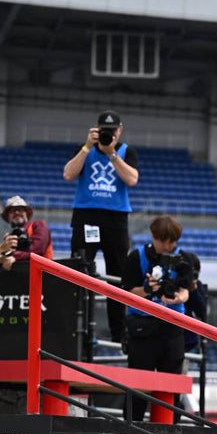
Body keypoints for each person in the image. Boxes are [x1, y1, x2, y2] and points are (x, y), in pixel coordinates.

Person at [63, 109, 140, 344]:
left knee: (117, 274)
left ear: (120, 131)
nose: (109, 135)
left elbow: (132, 179)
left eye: (112, 131)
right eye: (104, 131)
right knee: (81, 269)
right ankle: (80, 328)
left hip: (115, 219)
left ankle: (119, 332)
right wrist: (88, 147)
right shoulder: (84, 150)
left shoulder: (126, 151)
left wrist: (112, 154)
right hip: (87, 216)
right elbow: (68, 174)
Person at [120, 215, 196, 422]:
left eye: (172, 241)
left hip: (172, 328)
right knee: (137, 387)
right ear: (154, 236)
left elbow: (187, 289)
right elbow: (126, 292)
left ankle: (170, 432)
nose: (168, 246)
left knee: (171, 388)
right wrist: (146, 290)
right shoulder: (136, 257)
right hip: (142, 329)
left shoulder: (184, 258)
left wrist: (180, 297)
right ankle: (131, 429)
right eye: (164, 241)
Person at [0, 196, 53, 264]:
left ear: (27, 214)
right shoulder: (10, 236)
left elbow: (37, 250)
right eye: (12, 211)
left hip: (42, 272)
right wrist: (3, 253)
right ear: (8, 217)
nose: (16, 212)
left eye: (20, 209)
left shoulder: (39, 225)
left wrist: (15, 256)